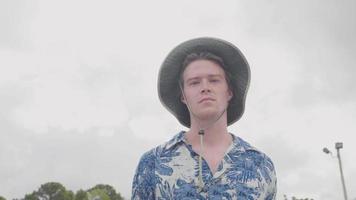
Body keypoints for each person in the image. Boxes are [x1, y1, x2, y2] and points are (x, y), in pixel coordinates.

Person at [131, 37, 277, 199]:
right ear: (183, 96)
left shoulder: (261, 164)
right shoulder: (153, 163)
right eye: (194, 83)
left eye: (214, 80)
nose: (205, 88)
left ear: (229, 92)